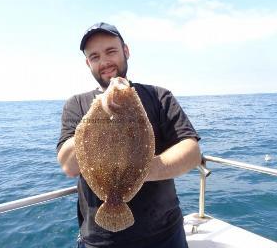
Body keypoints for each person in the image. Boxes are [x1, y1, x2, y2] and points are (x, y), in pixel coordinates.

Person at [56, 22, 201, 248]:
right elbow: (69, 167)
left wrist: (136, 171)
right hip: (100, 240)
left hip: (165, 234)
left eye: (111, 51)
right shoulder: (77, 105)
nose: (104, 62)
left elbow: (191, 153)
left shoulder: (159, 96)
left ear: (126, 51)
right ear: (88, 63)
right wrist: (93, 119)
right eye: (94, 56)